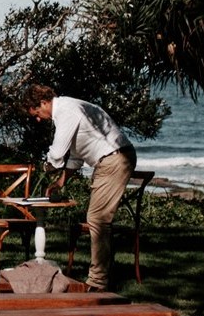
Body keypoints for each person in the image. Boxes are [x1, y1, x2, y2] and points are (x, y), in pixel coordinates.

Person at [24, 83, 136, 291]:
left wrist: (48, 165)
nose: (38, 119)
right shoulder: (70, 109)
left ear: (43, 102)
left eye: (37, 113)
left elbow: (57, 154)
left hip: (113, 159)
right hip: (111, 158)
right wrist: (61, 181)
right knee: (99, 219)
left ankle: (98, 282)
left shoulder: (66, 111)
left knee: (97, 219)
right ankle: (104, 274)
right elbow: (76, 156)